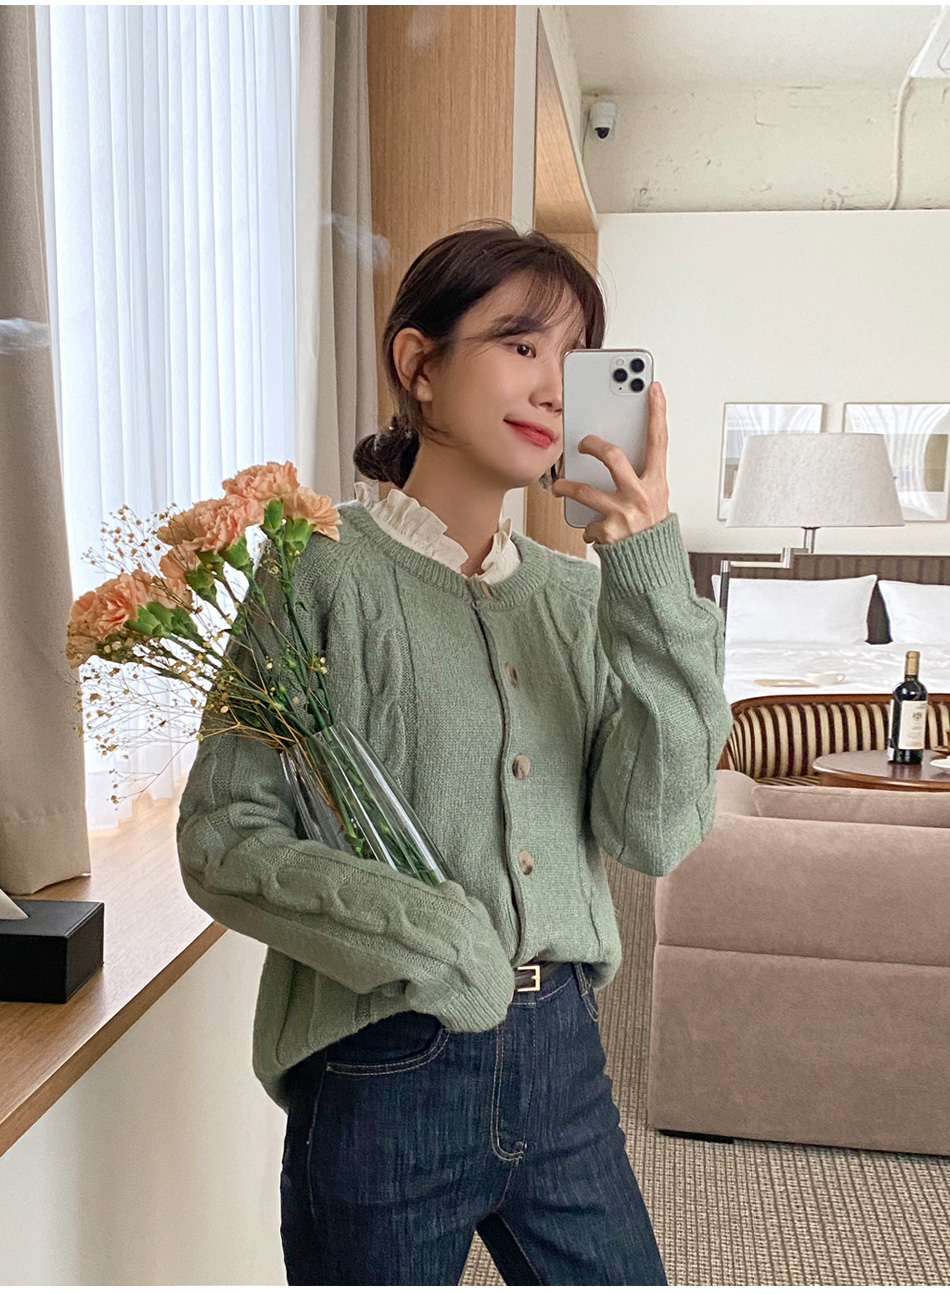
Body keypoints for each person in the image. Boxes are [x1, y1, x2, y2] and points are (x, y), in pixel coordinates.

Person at [176, 220, 733, 1285]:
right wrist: (433, 937)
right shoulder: (314, 570)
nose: (553, 388)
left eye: (575, 359)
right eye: (521, 345)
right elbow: (223, 837)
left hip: (565, 1056)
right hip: (384, 1061)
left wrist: (650, 579)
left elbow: (655, 832)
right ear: (418, 364)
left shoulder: (579, 599)